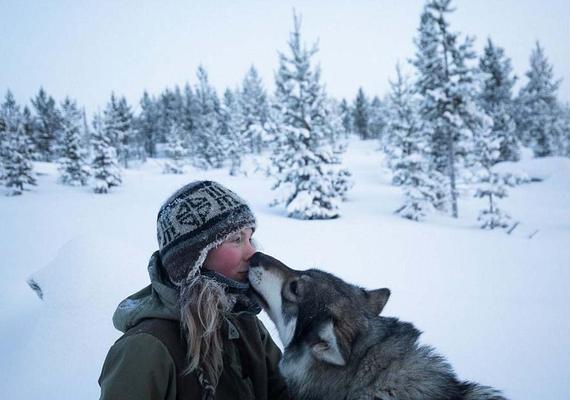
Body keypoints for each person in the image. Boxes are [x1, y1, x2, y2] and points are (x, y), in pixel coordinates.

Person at [99, 180, 289, 400]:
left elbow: (285, 392)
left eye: (249, 238)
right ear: (192, 259)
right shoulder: (144, 349)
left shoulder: (243, 320)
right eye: (236, 239)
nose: (252, 253)